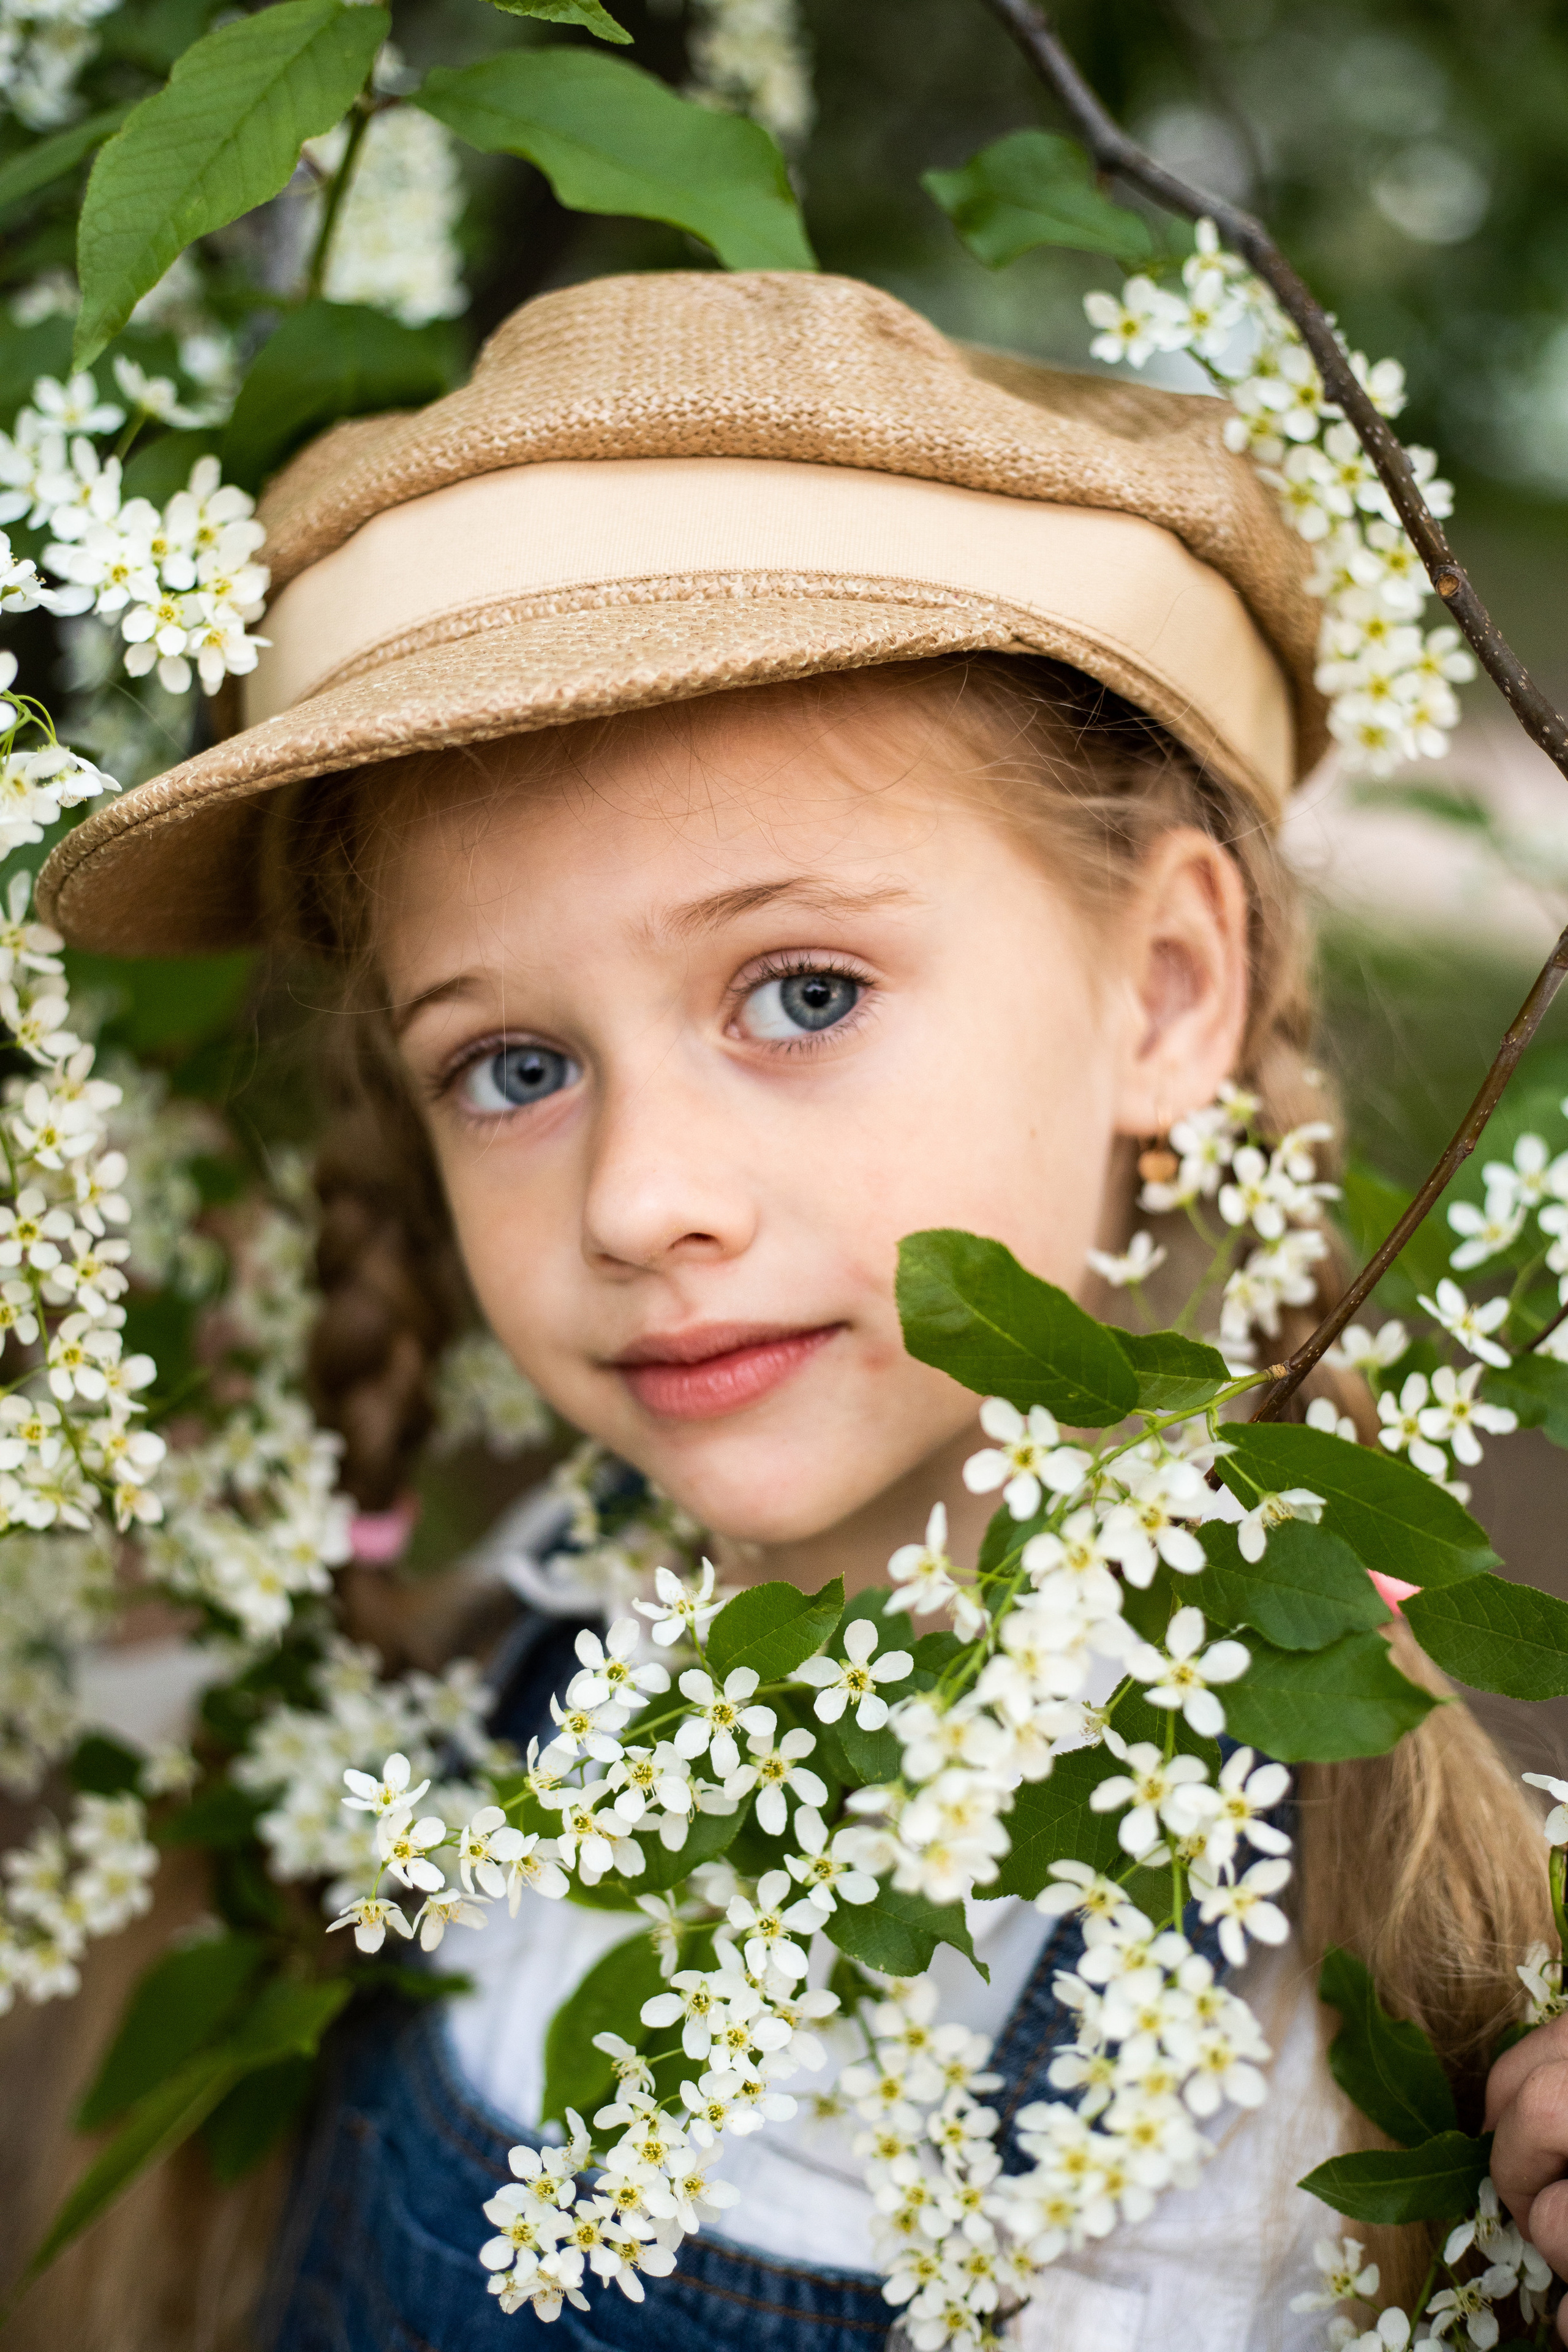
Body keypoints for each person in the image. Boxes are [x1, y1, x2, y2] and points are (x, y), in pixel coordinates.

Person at [38, 268, 1563, 2352]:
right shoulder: (452, 1742)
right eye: (512, 1066)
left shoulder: (1353, 2056)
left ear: (1166, 994)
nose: (644, 1201)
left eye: (805, 996)